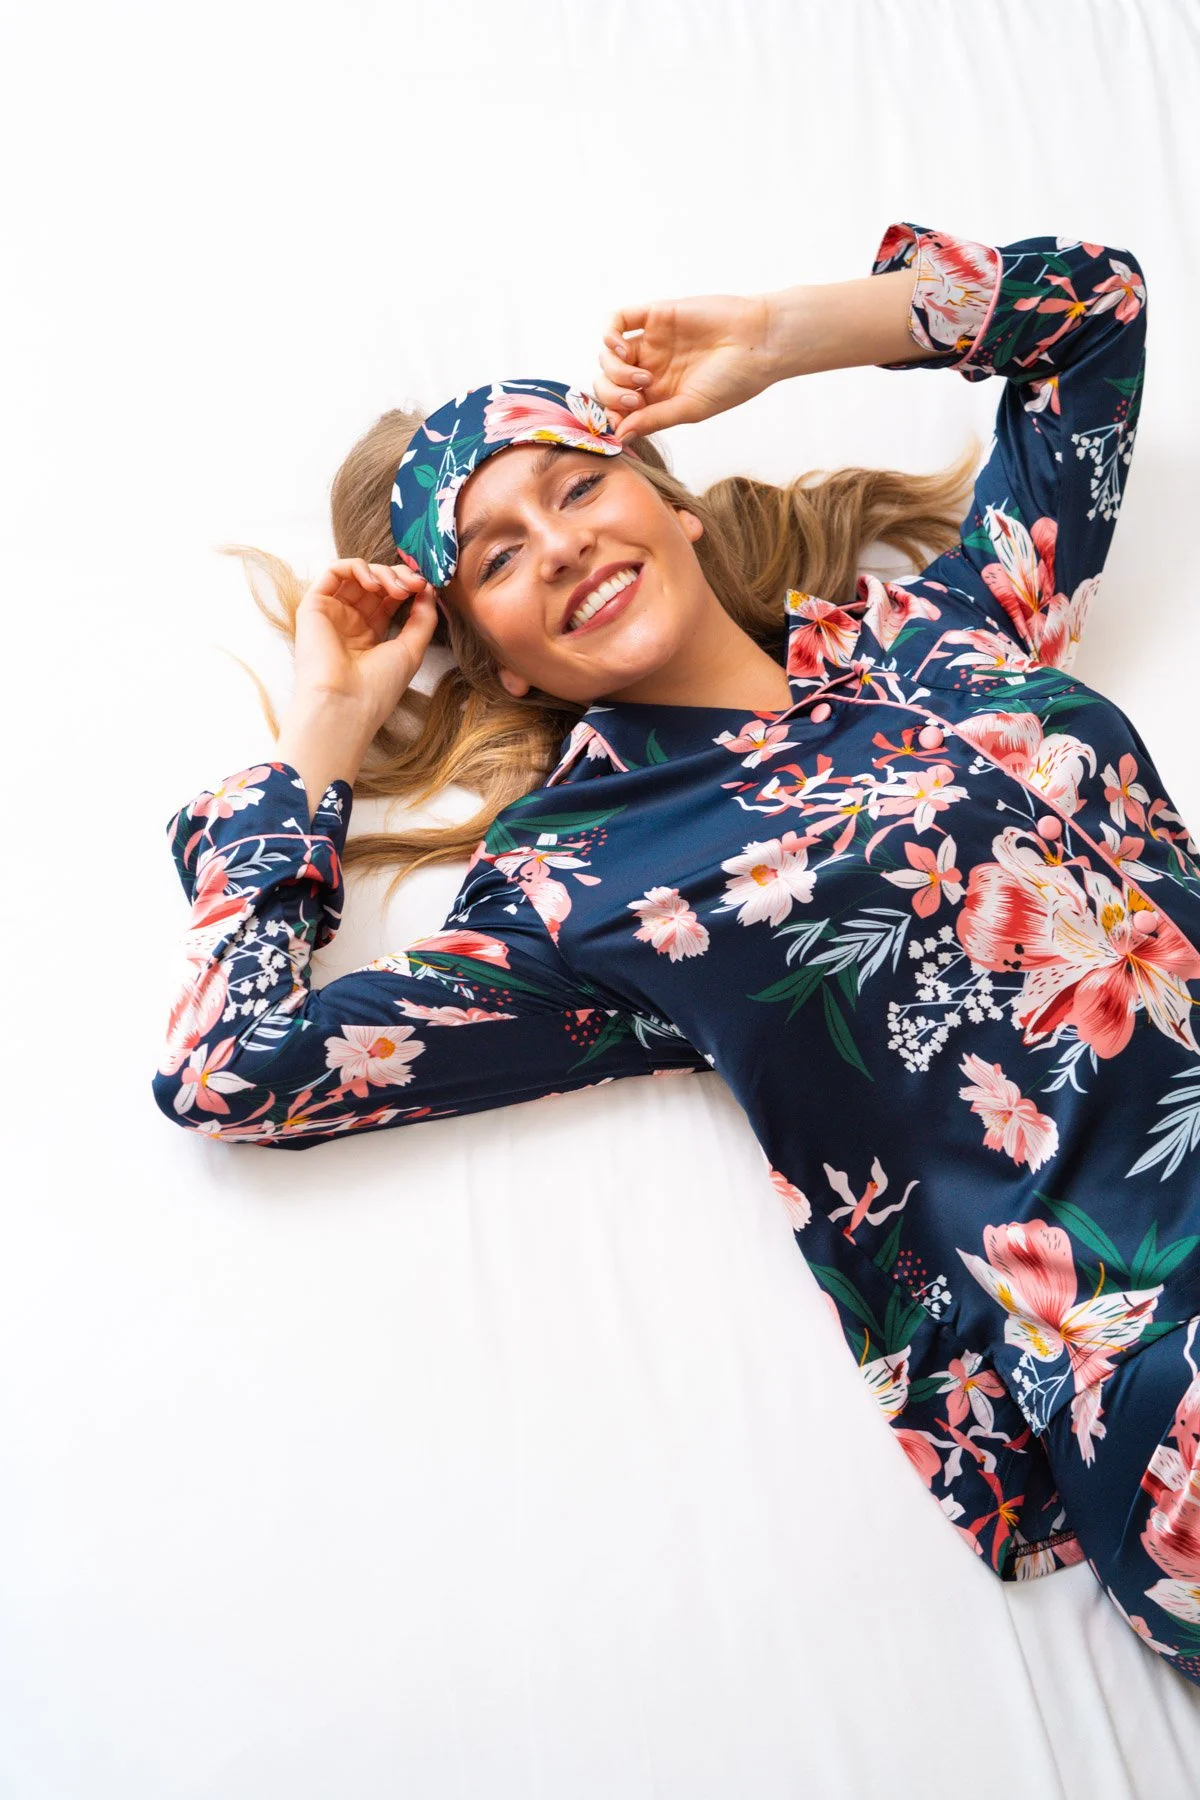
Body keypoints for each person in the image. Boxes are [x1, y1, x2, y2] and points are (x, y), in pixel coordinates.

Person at [152, 220, 1200, 1688]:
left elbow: (1097, 310)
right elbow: (230, 1065)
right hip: (1153, 1345)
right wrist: (325, 731)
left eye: (579, 486)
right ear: (495, 657)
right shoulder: (581, 887)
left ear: (672, 504)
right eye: (498, 557)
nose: (562, 544)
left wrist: (786, 335)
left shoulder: (949, 628)